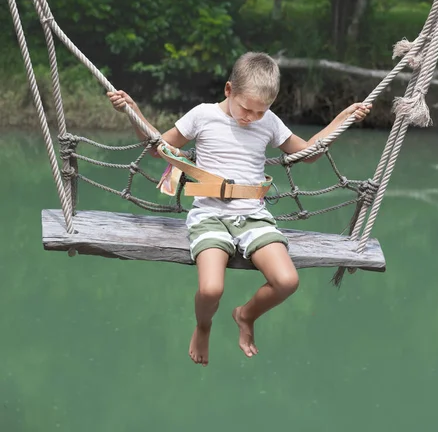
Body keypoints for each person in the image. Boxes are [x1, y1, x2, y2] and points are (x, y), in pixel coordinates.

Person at [108, 52, 371, 366]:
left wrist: (342, 119)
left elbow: (308, 153)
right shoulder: (202, 115)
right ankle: (203, 326)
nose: (251, 117)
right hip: (209, 216)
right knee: (210, 289)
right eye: (246, 108)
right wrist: (134, 112)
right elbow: (158, 147)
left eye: (260, 111)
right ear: (228, 90)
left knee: (287, 281)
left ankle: (246, 316)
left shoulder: (268, 123)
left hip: (254, 217)